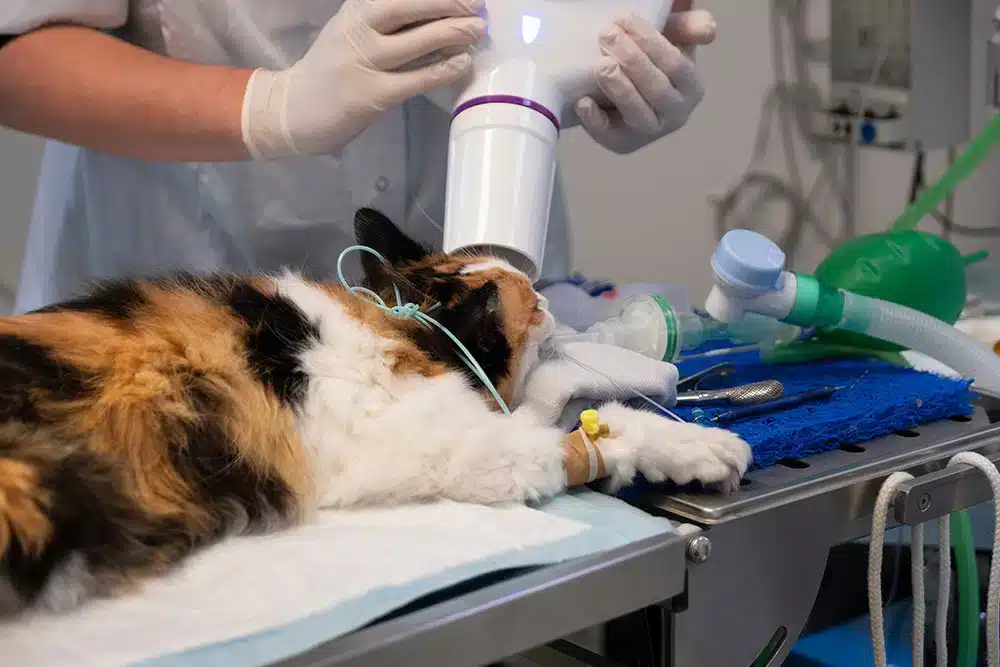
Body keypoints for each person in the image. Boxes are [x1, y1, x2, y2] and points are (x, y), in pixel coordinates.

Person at [0, 1, 717, 313]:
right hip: (178, 301)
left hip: (476, 296)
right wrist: (271, 109)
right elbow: (18, 47)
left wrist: (620, 61)